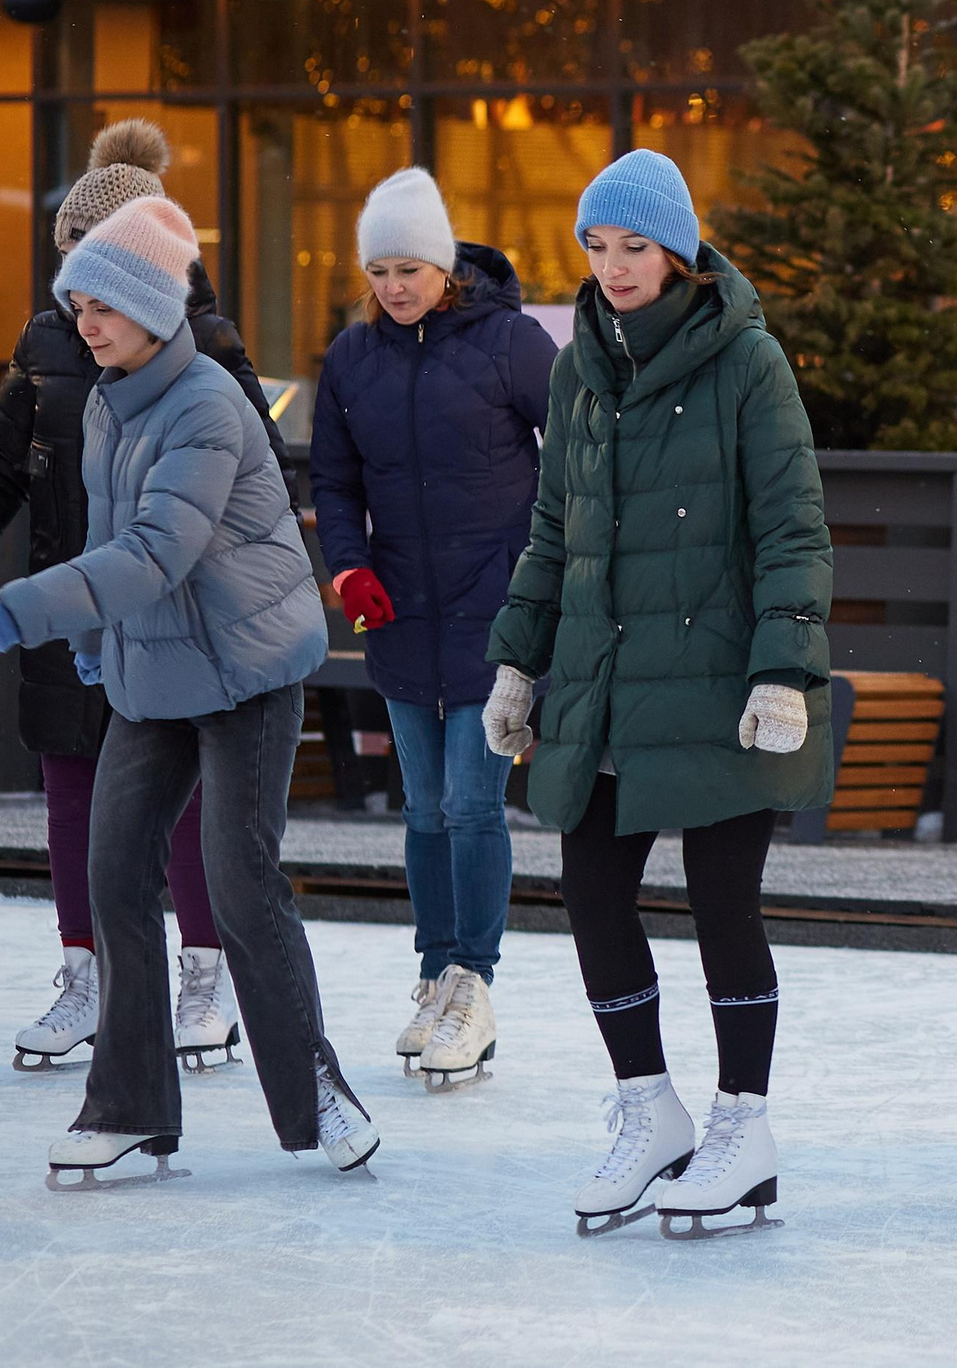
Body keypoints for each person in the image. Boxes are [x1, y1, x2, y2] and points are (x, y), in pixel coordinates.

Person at [0, 195, 367, 1184]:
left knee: (238, 883)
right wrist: (99, 638)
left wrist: (20, 612)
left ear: (150, 305)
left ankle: (315, 1088)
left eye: (101, 305)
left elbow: (155, 552)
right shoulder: (107, 399)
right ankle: (131, 1106)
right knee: (114, 875)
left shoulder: (209, 408)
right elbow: (111, 545)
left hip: (247, 672)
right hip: (156, 670)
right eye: (76, 306)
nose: (85, 323)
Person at [483, 148, 832, 1238]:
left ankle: (743, 1125)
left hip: (718, 677)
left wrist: (782, 670)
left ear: (677, 252)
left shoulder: (747, 361)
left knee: (723, 904)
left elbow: (790, 525)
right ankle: (650, 1111)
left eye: (635, 246)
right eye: (597, 245)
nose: (615, 265)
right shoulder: (575, 364)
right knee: (591, 894)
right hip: (600, 674)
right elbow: (554, 530)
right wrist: (516, 659)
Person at [0, 119, 285, 1074]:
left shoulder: (210, 345)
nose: (76, 296)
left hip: (176, 608)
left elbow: (258, 475)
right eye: (67, 267)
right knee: (72, 788)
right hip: (73, 596)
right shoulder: (45, 343)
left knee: (182, 795)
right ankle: (85, 970)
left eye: (93, 265)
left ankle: (202, 970)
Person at [311, 168, 555, 1089]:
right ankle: (435, 972)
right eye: (378, 269)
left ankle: (474, 985)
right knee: (419, 809)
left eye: (409, 265)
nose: (393, 285)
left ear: (444, 264)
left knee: (471, 802)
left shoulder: (511, 344)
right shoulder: (352, 357)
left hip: (496, 617)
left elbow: (577, 451)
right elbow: (333, 481)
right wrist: (348, 564)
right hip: (401, 613)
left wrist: (542, 577)